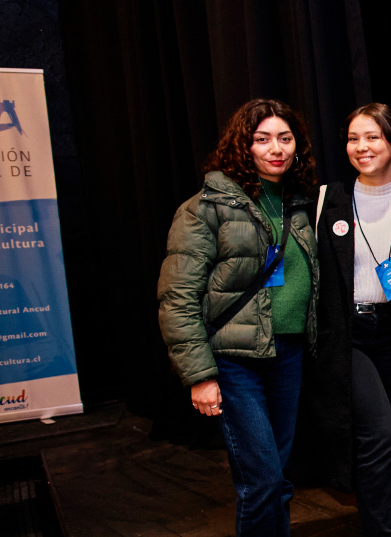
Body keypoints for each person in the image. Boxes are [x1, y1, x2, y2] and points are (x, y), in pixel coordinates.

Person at [157, 98, 318, 536]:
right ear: (241, 147)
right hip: (233, 361)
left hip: (287, 354)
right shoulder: (203, 209)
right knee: (261, 481)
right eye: (262, 139)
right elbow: (177, 298)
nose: (275, 149)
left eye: (285, 138)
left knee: (278, 480)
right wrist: (199, 376)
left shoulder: (299, 204)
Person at [304, 103, 391, 536]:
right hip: (347, 334)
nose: (362, 146)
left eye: (373, 137)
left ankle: (385, 515)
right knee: (380, 436)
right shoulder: (326, 199)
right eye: (353, 138)